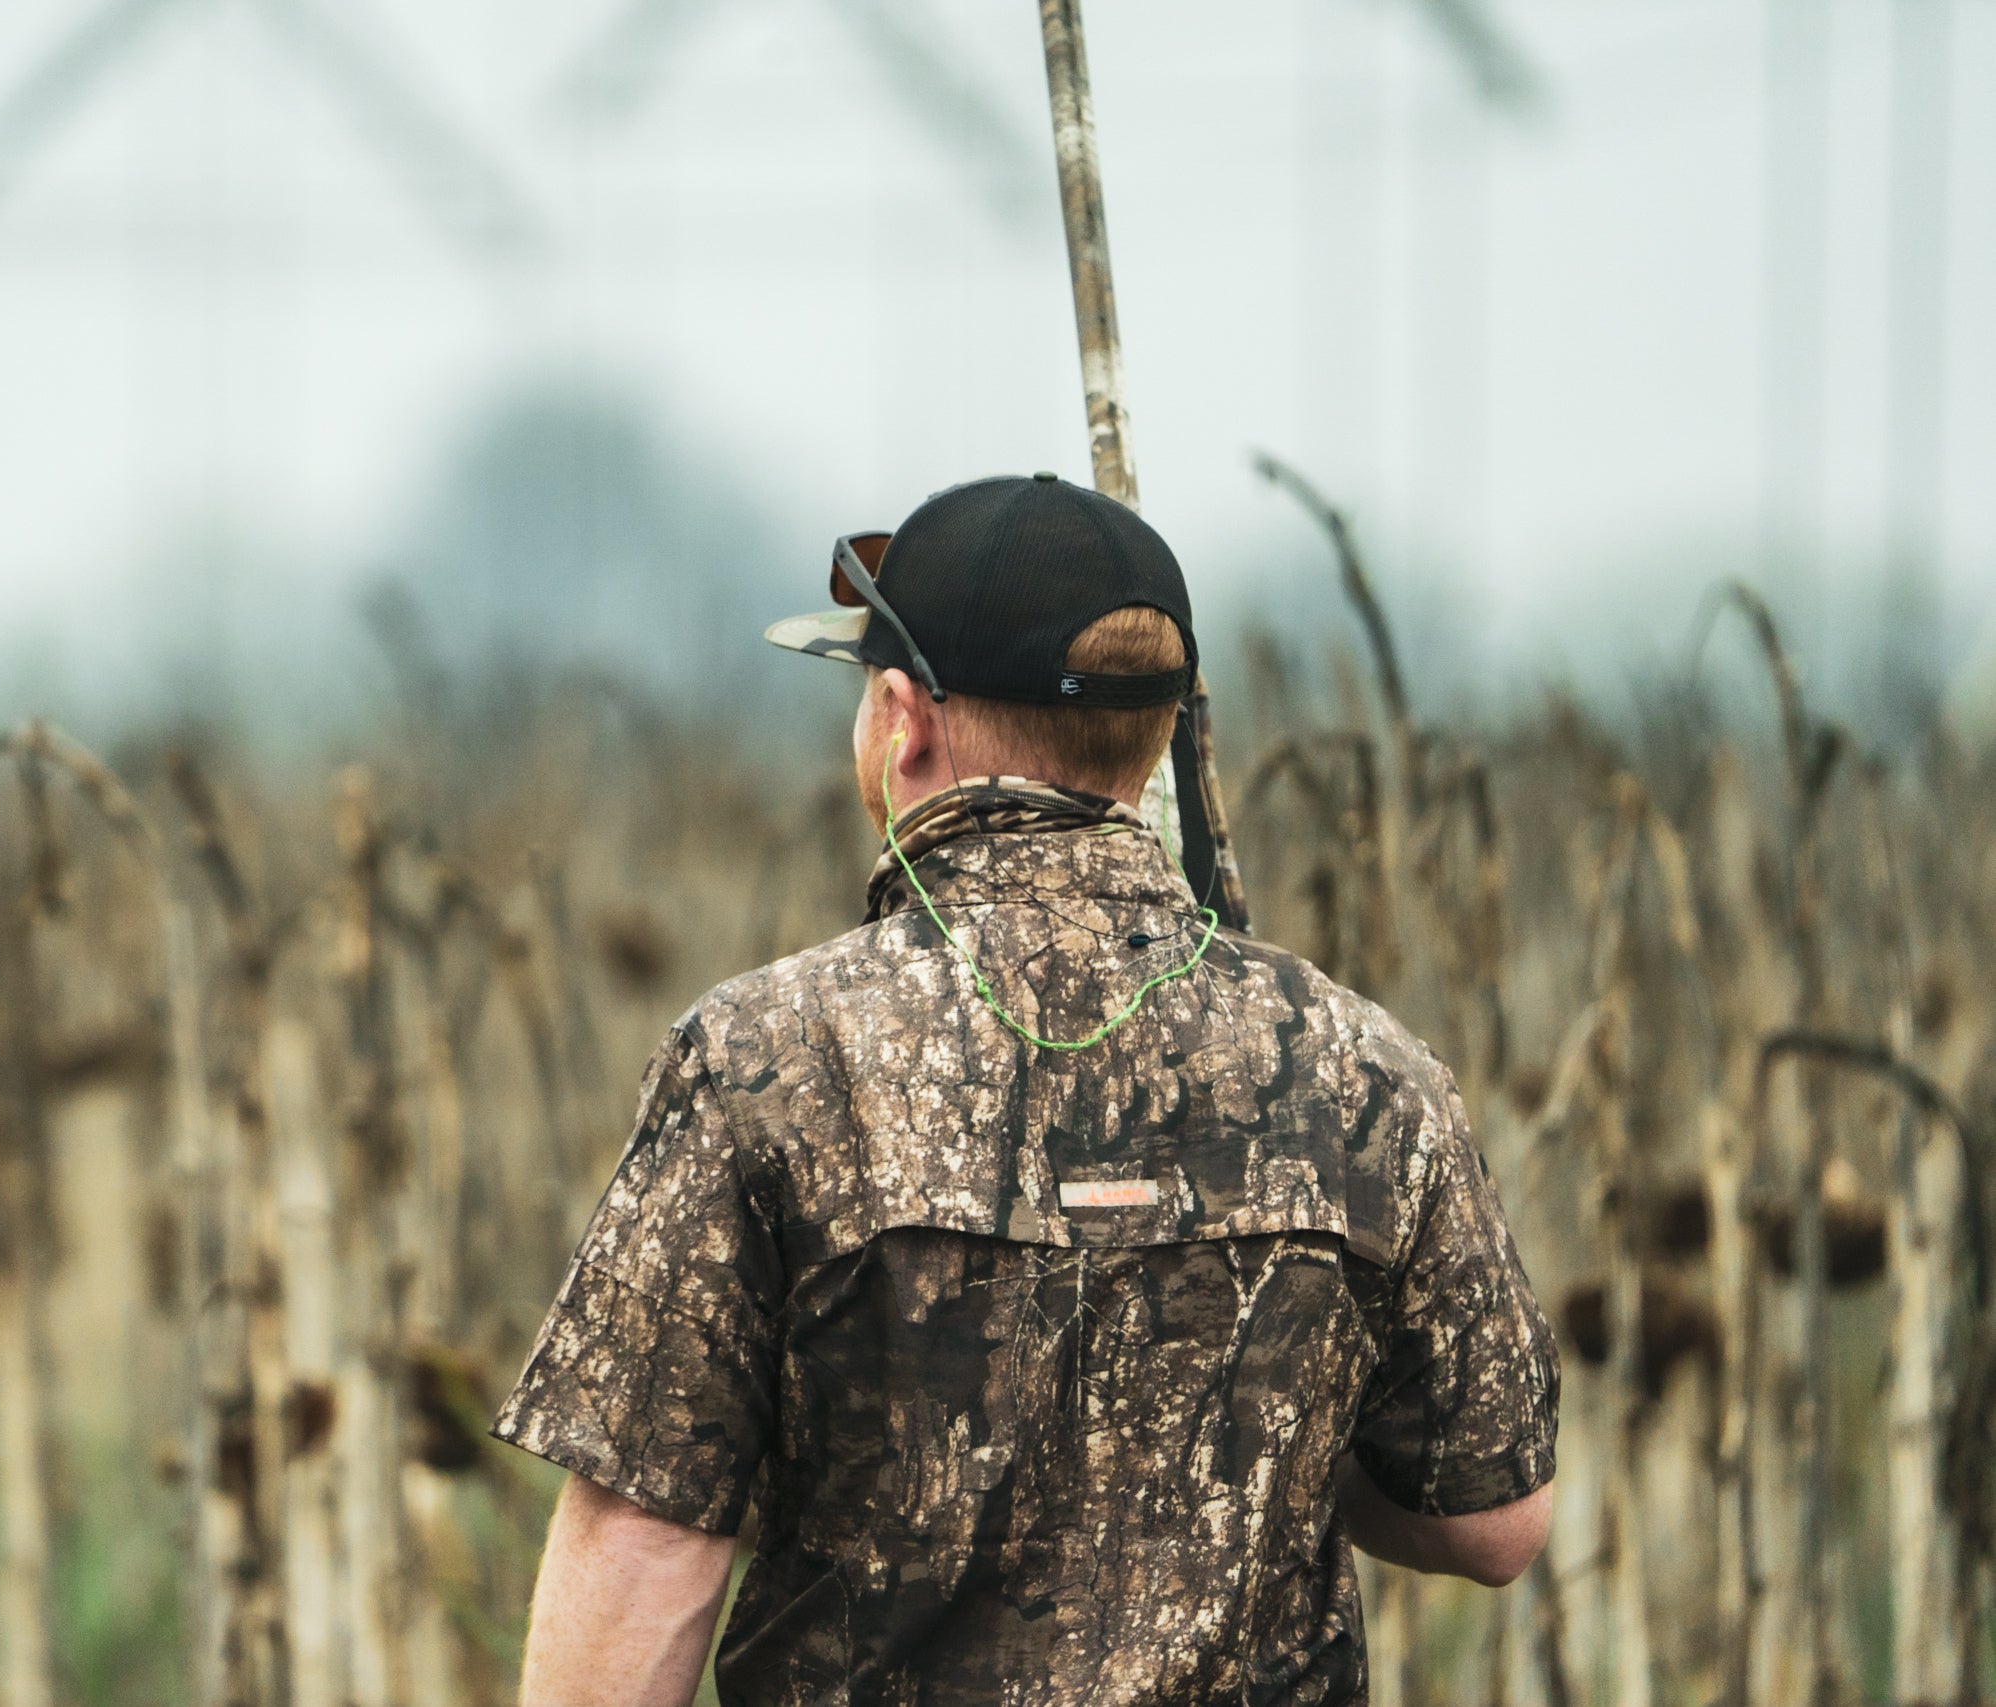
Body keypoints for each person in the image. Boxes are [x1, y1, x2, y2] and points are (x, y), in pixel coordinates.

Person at [491, 474, 1560, 1706]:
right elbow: (1495, 1521)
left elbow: (639, 1554)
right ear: (1161, 741)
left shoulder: (764, 1062)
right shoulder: (1367, 1068)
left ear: (904, 722)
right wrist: (1286, 1421)